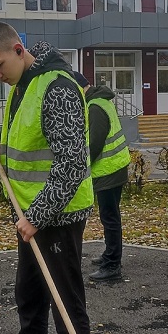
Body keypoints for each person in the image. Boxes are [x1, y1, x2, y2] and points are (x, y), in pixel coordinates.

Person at [0, 22, 94, 334]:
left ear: (17, 48)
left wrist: (38, 216)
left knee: (65, 302)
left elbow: (72, 163)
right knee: (28, 295)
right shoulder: (23, 86)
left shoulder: (56, 87)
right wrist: (0, 150)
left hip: (57, 217)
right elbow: (32, 145)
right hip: (31, 216)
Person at [72, 74, 130, 281]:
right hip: (113, 168)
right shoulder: (100, 102)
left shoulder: (95, 107)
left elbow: (94, 144)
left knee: (110, 218)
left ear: (80, 88)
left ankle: (112, 265)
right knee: (111, 217)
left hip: (108, 170)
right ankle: (109, 255)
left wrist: (77, 167)